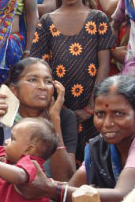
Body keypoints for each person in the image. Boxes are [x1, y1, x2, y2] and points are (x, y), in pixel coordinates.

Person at [0, 58, 78, 201]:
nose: (42, 87)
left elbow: (65, 179)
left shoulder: (64, 117)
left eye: (48, 81)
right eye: (32, 80)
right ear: (14, 90)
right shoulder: (1, 121)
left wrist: (54, 120)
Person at [30, 0, 116, 164]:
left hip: (91, 108)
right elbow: (41, 68)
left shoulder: (98, 19)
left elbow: (104, 66)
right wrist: (54, 109)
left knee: (91, 161)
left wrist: (91, 107)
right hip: (57, 109)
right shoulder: (46, 22)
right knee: (60, 156)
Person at [15, 74, 135, 202]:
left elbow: (124, 195)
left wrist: (51, 188)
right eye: (100, 114)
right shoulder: (97, 147)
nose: (107, 123)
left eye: (119, 114)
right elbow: (72, 187)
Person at [0, 117, 58, 202]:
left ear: (29, 150)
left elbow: (19, 176)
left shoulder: (31, 164)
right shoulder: (12, 156)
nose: (7, 141)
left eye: (12, 139)